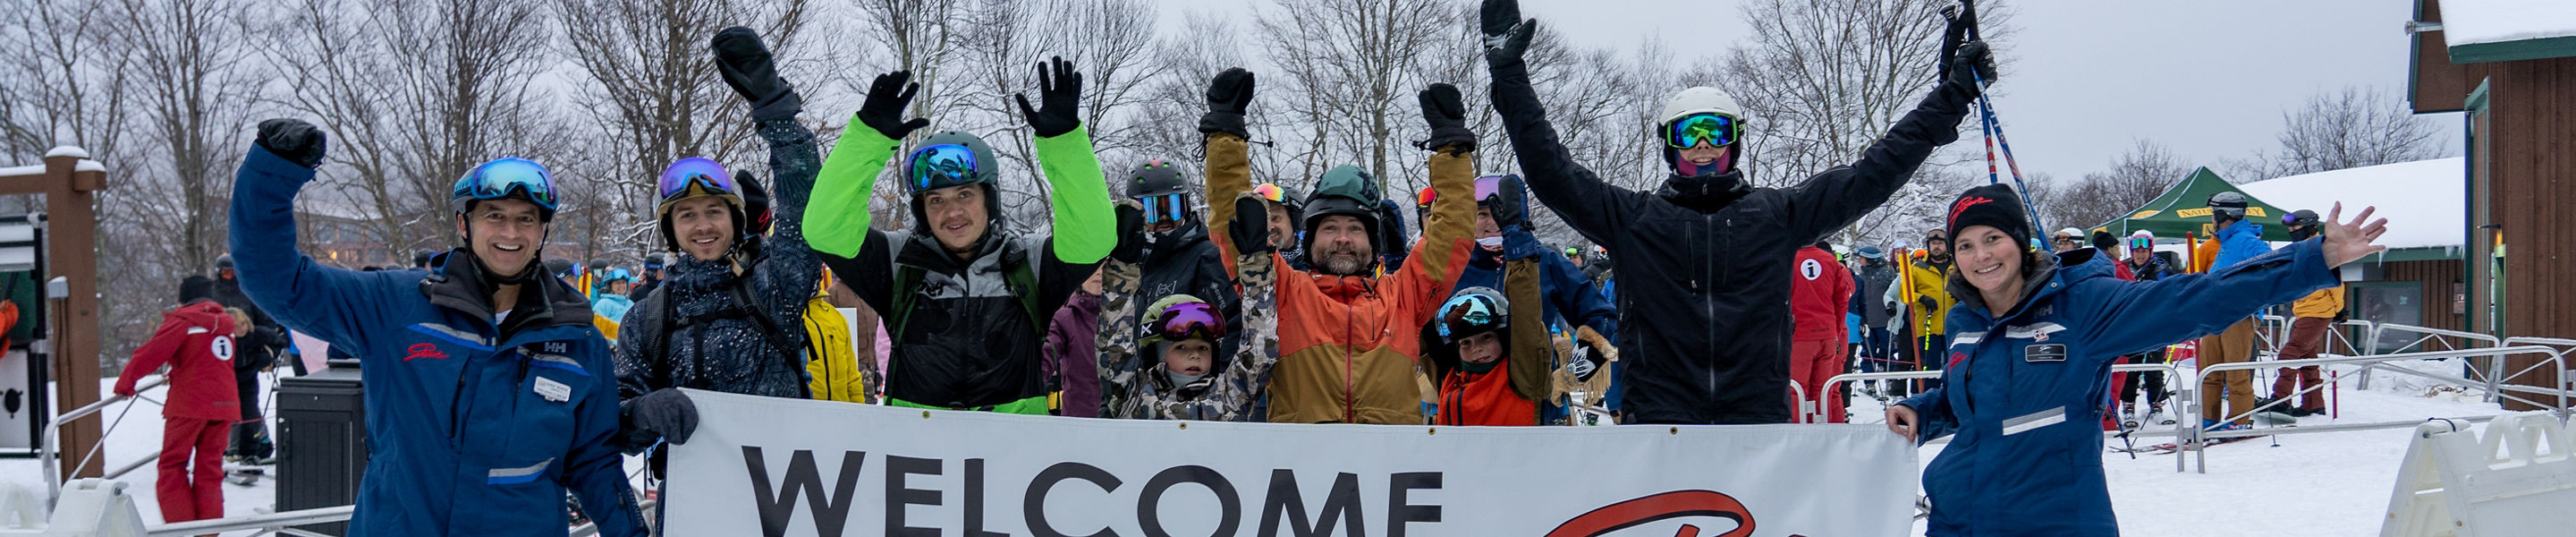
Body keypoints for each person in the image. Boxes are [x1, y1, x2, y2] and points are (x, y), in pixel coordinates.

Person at [1478, 0, 1993, 424]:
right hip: (1659, 419)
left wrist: (1949, 99)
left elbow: (1874, 173)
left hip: (1755, 421)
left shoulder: (1777, 215)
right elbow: (1551, 171)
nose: (1703, 145)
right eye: (1689, 133)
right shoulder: (1634, 220)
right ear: (1670, 145)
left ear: (1736, 141)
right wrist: (1510, 76)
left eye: (1716, 131)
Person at [1885, 182, 2388, 536]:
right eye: (1966, 245)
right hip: (1958, 519)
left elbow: (2197, 300)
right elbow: (1972, 400)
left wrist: (2313, 258)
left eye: (1993, 238)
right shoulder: (1965, 320)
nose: (1981, 255)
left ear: (2019, 242)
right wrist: (1924, 411)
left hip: (2053, 522)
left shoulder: (2083, 306)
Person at [228, 118, 645, 534]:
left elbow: (594, 463)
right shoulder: (397, 306)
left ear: (541, 232)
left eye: (526, 219)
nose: (510, 232)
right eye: (494, 215)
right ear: (464, 224)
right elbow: (278, 281)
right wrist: (273, 175)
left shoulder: (578, 341)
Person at [804, 56, 1115, 413]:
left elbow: (1094, 238)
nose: (952, 212)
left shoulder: (1028, 262)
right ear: (922, 210)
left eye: (965, 195)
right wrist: (867, 139)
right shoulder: (896, 262)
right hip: (917, 445)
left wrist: (1063, 143)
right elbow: (825, 229)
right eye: (936, 200)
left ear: (989, 199)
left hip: (1017, 445)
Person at [1198, 68, 1479, 424]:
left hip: (1391, 459)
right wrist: (1225, 132)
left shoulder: (1405, 297)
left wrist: (1451, 148)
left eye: (1355, 229)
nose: (1343, 238)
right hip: (1299, 458)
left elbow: (1452, 231)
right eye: (1330, 228)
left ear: (1372, 244)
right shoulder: (1281, 292)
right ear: (1311, 240)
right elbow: (1234, 218)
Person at [612, 31, 830, 488]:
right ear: (671, 230)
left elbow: (805, 210)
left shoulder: (774, 285)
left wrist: (777, 113)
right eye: (687, 215)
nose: (703, 226)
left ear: (735, 219)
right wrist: (640, 412)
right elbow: (616, 422)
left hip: (787, 495)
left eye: (714, 211)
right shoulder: (648, 317)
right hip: (695, 503)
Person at [1445, 174, 1618, 423]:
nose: (1492, 222)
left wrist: (1574, 372)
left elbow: (1602, 317)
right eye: (1482, 214)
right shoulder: (1456, 265)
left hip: (1533, 401)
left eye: (1500, 213)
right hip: (1471, 402)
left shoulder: (1545, 260)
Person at [1097, 196, 1282, 421]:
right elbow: (1113, 352)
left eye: (1203, 348)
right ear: (1157, 352)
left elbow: (1260, 353)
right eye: (1181, 347)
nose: (1195, 355)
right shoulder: (1133, 398)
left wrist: (1257, 265)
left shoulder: (1230, 398)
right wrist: (1121, 271)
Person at [114, 277, 242, 525]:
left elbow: (150, 354)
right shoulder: (226, 324)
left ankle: (179, 528)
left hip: (190, 404)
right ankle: (209, 531)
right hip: (225, 405)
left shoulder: (184, 321)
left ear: (183, 300)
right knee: (210, 470)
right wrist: (176, 371)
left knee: (173, 465)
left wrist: (125, 384)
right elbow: (206, 360)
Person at [1124, 158, 1241, 342]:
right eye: (1153, 210)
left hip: (1188, 358)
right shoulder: (1130, 262)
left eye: (1173, 207)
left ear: (1186, 207)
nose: (1164, 218)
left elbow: (1231, 324)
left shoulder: (1206, 258)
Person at [2195, 191, 2272, 430]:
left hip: (2238, 315)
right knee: (2209, 371)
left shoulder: (2245, 240)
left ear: (2222, 215)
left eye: (2213, 213)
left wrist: (2249, 294)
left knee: (2235, 371)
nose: (2211, 219)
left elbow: (2270, 263)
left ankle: (2239, 420)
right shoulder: (2226, 242)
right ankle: (2209, 419)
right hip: (2216, 315)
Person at [207, 254, 288, 464]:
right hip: (221, 360)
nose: (230, 277)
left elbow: (268, 326)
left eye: (233, 273)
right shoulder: (211, 294)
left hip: (249, 356)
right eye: (226, 273)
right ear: (219, 274)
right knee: (225, 406)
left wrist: (268, 356)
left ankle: (258, 445)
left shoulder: (248, 292)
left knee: (249, 406)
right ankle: (228, 448)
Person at [2264, 209, 2341, 417]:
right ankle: (2313, 404)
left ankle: (2281, 399)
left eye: (2296, 227)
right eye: (2290, 228)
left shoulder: (2321, 250)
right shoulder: (2301, 249)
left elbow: (2336, 283)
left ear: (2310, 227)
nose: (2292, 231)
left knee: (2289, 354)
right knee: (2307, 358)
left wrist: (2338, 309)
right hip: (2305, 311)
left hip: (2318, 311)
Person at [1790, 242, 1855, 422]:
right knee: (1825, 390)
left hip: (1800, 335)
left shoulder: (1789, 258)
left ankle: (1798, 433)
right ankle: (1824, 432)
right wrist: (1836, 331)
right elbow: (1842, 300)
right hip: (1828, 335)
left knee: (1797, 390)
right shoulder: (1830, 260)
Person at [2116, 230, 2174, 424]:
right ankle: (2128, 404)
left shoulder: (2161, 268)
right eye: (2137, 251)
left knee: (2154, 367)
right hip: (2131, 326)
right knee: (2131, 367)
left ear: (2151, 251)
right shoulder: (2124, 267)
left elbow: (2170, 292)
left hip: (2155, 325)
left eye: (2144, 251)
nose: (2140, 255)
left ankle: (2157, 405)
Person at [1892, 229, 1957, 396]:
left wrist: (1962, 296)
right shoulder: (1917, 268)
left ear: (1947, 245)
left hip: (1955, 327)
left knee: (1954, 368)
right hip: (1927, 326)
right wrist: (1921, 298)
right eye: (1933, 243)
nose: (1937, 247)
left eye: (1940, 243)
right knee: (1929, 369)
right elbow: (1904, 294)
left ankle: (1953, 400)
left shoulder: (1957, 267)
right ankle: (1928, 401)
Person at [1043, 268, 1107, 417]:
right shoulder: (1064, 319)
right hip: (1078, 421)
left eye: (1105, 265)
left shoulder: (1133, 314)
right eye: (1094, 266)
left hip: (1127, 424)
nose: (1099, 272)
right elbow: (1044, 359)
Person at [1852, 245, 1899, 381]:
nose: (1859, 261)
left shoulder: (1888, 275)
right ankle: (1870, 382)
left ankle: (1890, 379)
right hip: (1867, 322)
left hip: (1885, 322)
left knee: (1887, 352)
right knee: (1867, 354)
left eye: (1862, 258)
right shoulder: (1861, 277)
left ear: (1870, 259)